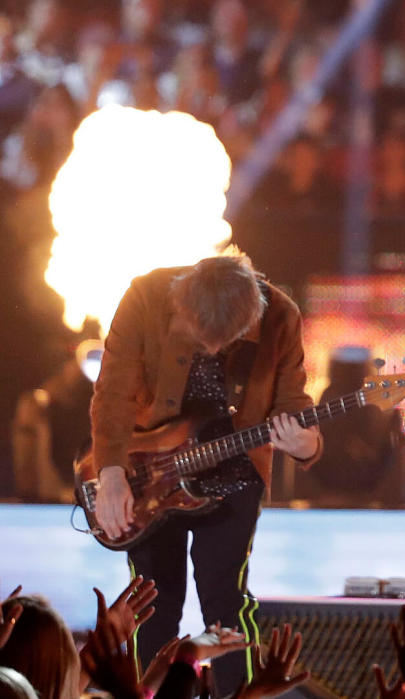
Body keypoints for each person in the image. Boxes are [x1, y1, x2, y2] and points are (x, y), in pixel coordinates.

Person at [89, 255, 322, 694]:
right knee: (153, 603)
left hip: (234, 473)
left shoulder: (281, 315)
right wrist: (113, 474)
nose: (212, 350)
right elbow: (113, 392)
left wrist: (304, 443)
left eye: (225, 341)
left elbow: (294, 401)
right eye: (202, 339)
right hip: (153, 472)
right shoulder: (145, 296)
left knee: (226, 601)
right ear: (182, 307)